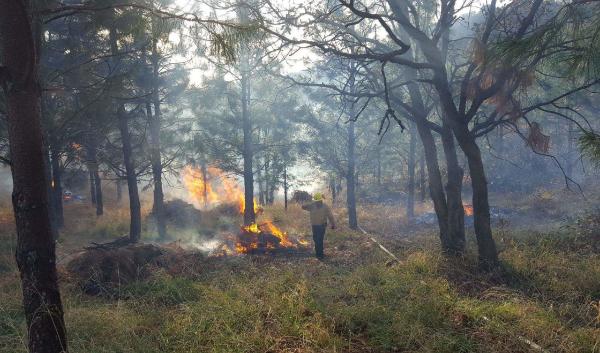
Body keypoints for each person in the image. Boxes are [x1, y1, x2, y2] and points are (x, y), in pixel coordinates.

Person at [301, 192, 336, 259]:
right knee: (316, 240)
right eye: (316, 201)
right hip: (314, 226)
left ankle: (320, 254)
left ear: (321, 200)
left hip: (322, 226)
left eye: (319, 201)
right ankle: (318, 254)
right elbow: (303, 207)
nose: (317, 202)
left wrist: (333, 224)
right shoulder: (312, 205)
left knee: (319, 239)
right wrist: (308, 201)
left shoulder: (325, 207)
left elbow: (330, 216)